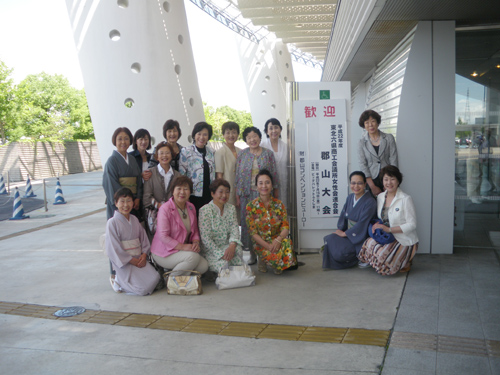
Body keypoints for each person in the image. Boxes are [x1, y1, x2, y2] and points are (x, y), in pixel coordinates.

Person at [358, 165, 419, 275]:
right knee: (368, 243)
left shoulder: (406, 199)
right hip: (386, 237)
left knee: (383, 265)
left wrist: (389, 229)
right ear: (382, 181)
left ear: (398, 181)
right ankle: (396, 260)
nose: (389, 183)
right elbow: (381, 217)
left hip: (402, 239)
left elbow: (412, 224)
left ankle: (405, 260)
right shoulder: (380, 197)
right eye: (386, 179)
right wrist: (377, 225)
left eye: (392, 179)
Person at [235, 126, 279, 264]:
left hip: (264, 194)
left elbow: (274, 175)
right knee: (249, 224)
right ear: (246, 140)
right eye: (249, 137)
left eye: (255, 136)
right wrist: (237, 195)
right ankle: (253, 254)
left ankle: (264, 254)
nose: (252, 139)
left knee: (264, 224)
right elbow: (237, 176)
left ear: (260, 137)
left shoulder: (268, 154)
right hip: (246, 195)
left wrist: (275, 194)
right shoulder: (242, 154)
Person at [105, 188, 161, 295]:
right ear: (116, 203)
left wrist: (144, 255)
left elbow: (143, 239)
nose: (126, 205)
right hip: (125, 262)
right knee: (142, 289)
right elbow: (113, 247)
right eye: (122, 201)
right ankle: (118, 281)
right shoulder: (112, 223)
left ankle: (122, 282)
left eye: (129, 201)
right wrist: (131, 260)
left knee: (156, 278)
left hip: (139, 259)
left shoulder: (134, 219)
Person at [150, 176, 209, 275]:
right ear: (173, 191)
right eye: (179, 189)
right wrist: (183, 247)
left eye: (186, 189)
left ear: (190, 192)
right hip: (164, 252)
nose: (182, 192)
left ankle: (178, 276)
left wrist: (195, 242)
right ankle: (172, 281)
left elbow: (194, 231)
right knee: (193, 257)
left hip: (182, 251)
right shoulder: (165, 209)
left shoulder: (191, 207)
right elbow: (163, 236)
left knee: (203, 266)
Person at [322, 171, 377, 269]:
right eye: (353, 183)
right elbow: (343, 215)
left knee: (340, 252)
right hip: (348, 233)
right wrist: (340, 230)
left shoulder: (370, 202)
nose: (356, 186)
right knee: (329, 238)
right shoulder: (350, 197)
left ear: (365, 184)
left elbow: (362, 223)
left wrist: (344, 234)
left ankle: (358, 256)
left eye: (359, 183)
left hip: (360, 236)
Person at [246, 169, 296, 274]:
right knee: (271, 255)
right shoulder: (250, 207)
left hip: (277, 242)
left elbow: (285, 227)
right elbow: (253, 233)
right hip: (261, 245)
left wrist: (278, 240)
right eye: (261, 183)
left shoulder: (279, 205)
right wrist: (268, 246)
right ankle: (264, 259)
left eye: (267, 182)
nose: (264, 186)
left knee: (287, 243)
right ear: (256, 186)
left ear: (272, 185)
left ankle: (275, 261)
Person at [199, 179, 243, 273]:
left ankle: (229, 271)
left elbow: (235, 230)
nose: (224, 195)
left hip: (227, 246)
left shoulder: (231, 208)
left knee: (238, 250)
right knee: (223, 265)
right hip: (212, 250)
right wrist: (220, 253)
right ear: (212, 194)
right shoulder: (205, 210)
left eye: (227, 192)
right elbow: (206, 239)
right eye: (221, 192)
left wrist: (231, 246)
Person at [102, 127, 143, 220]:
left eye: (126, 138)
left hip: (133, 203)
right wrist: (126, 202)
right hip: (120, 204)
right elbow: (111, 185)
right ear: (114, 141)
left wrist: (137, 198)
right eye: (120, 139)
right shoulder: (111, 161)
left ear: (130, 141)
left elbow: (139, 181)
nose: (123, 142)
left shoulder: (132, 159)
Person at [143, 141, 181, 236]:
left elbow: (179, 196)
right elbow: (147, 198)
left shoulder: (177, 175)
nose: (165, 156)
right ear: (156, 157)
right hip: (155, 216)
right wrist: (161, 206)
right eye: (161, 153)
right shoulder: (150, 173)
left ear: (172, 155)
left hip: (173, 214)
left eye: (167, 153)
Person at [357, 109, 398, 196]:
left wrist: (389, 182)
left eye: (373, 121)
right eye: (367, 122)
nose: (370, 125)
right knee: (372, 207)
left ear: (377, 123)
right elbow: (362, 164)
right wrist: (372, 186)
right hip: (371, 180)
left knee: (388, 206)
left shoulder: (389, 138)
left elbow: (393, 160)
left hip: (388, 178)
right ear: (364, 125)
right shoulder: (361, 143)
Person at [179, 122, 215, 215]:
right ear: (194, 135)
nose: (202, 137)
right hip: (193, 195)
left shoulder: (212, 152)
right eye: (199, 134)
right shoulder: (186, 151)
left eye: (205, 134)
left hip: (209, 194)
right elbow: (182, 175)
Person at [261, 118, 288, 208]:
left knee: (283, 207)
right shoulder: (262, 145)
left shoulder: (286, 146)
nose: (274, 131)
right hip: (268, 185)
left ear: (280, 129)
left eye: (276, 127)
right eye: (271, 128)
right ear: (266, 131)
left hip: (284, 182)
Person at [215, 121, 241, 210]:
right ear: (223, 135)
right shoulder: (220, 152)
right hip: (228, 191)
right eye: (228, 133)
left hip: (240, 191)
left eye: (234, 132)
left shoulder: (241, 151)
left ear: (238, 134)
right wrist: (222, 193)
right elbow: (219, 176)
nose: (231, 135)